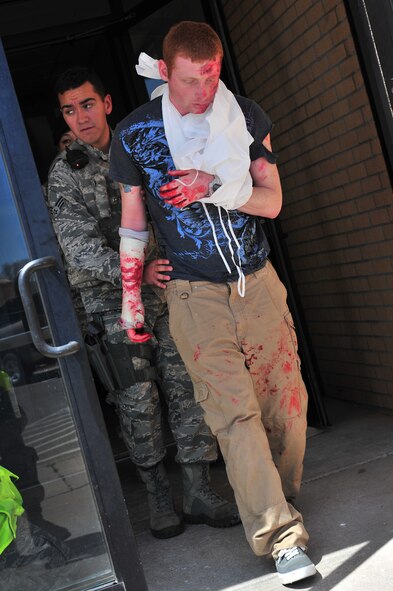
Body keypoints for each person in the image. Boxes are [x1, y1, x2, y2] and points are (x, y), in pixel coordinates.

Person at [109, 21, 318, 585]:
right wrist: (131, 298)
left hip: (256, 282)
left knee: (286, 407)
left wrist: (215, 187)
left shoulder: (244, 116)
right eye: (189, 80)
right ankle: (280, 535)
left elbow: (272, 202)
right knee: (234, 416)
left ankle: (278, 498)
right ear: (165, 74)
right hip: (193, 294)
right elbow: (133, 223)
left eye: (211, 77)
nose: (202, 92)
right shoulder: (134, 134)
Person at [46, 66, 239, 540]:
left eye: (87, 104)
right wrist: (135, 272)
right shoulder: (64, 175)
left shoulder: (141, 147)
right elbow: (79, 250)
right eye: (69, 110)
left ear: (107, 104)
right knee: (137, 401)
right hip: (110, 304)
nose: (80, 117)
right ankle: (158, 500)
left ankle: (198, 490)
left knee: (187, 386)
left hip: (166, 291)